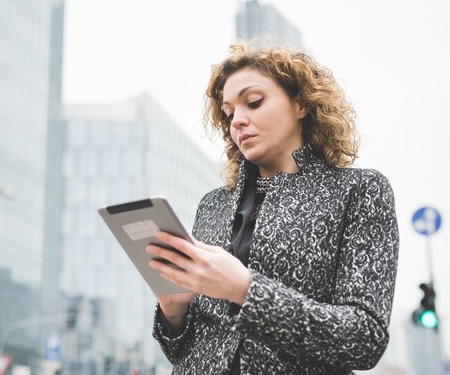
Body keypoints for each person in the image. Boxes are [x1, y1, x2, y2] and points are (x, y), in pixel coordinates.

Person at [145, 42, 399, 374]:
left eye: (253, 102)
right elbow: (182, 351)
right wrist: (173, 312)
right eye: (229, 112)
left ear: (301, 104)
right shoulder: (213, 204)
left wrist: (245, 289)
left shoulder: (359, 190)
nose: (237, 120)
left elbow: (364, 340)